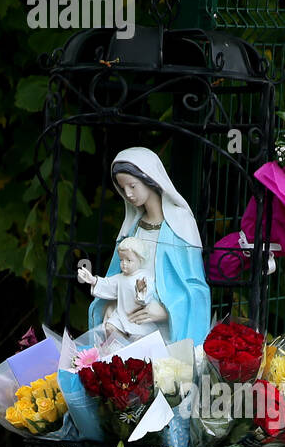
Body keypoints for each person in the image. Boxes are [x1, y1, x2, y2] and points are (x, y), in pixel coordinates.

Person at [88, 146, 211, 347]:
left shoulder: (180, 224)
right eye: (122, 187)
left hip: (166, 331)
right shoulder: (133, 227)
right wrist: (112, 304)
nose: (127, 193)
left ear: (150, 179)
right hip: (128, 322)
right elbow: (120, 276)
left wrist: (167, 310)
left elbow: (196, 288)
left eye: (132, 186)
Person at [77, 236, 154, 342]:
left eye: (129, 260)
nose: (124, 264)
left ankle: (130, 350)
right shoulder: (120, 278)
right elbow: (107, 284)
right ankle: (119, 347)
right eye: (121, 260)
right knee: (109, 327)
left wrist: (141, 290)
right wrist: (92, 280)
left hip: (137, 318)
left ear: (140, 260)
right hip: (121, 315)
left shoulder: (145, 276)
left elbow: (147, 297)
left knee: (139, 338)